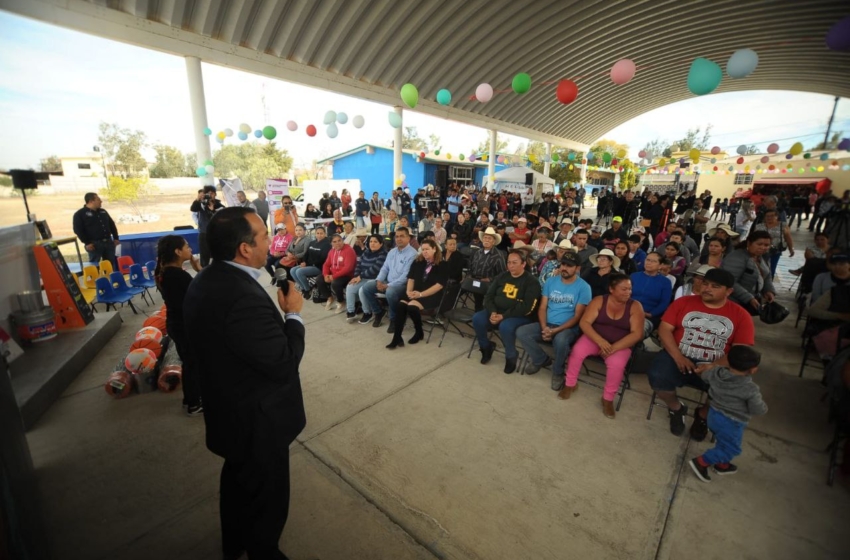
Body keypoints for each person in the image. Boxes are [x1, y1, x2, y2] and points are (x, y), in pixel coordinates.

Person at [183, 207, 305, 560]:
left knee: (237, 487)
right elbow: (283, 362)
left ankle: (234, 545)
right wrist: (293, 314)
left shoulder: (208, 280)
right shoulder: (240, 298)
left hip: (230, 413)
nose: (271, 240)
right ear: (244, 249)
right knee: (267, 501)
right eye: (264, 236)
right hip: (257, 423)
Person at [647, 268, 755, 440]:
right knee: (657, 375)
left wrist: (713, 365)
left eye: (715, 286)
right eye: (705, 283)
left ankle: (703, 415)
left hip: (718, 363)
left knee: (729, 387)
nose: (707, 288)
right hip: (679, 355)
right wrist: (678, 356)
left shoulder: (741, 315)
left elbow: (739, 352)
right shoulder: (683, 303)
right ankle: (676, 408)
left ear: (729, 291)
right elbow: (664, 330)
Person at [557, 273, 645, 419]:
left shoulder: (635, 306)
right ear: (612, 289)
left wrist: (614, 348)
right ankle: (570, 384)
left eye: (630, 289)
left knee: (616, 364)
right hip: (595, 338)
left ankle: (608, 398)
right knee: (577, 352)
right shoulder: (599, 301)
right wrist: (601, 341)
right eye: (624, 289)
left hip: (620, 344)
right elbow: (585, 323)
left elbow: (637, 334)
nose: (628, 292)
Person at [687, 346, 767, 483]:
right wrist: (764, 408)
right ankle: (702, 461)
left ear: (728, 362)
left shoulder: (716, 372)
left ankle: (722, 465)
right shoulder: (750, 389)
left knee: (724, 442)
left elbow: (705, 377)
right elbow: (758, 409)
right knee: (731, 448)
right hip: (731, 422)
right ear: (753, 369)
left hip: (712, 415)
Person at [516, 253, 591, 389]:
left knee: (560, 340)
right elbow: (543, 307)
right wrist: (544, 327)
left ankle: (558, 371)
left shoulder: (584, 287)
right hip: (547, 324)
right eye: (563, 264)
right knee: (522, 332)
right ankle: (541, 359)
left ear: (577, 268)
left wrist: (555, 330)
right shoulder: (551, 281)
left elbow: (577, 317)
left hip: (568, 327)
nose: (565, 268)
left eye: (569, 266)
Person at [154, 235, 202, 415]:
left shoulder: (163, 271)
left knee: (189, 362)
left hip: (176, 323)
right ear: (177, 251)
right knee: (192, 364)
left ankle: (190, 399)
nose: (190, 249)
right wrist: (199, 270)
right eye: (187, 246)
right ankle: (193, 404)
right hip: (185, 325)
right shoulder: (178, 276)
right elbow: (199, 294)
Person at [473, 251, 541, 373]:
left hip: (519, 315)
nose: (511, 265)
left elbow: (527, 307)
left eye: (514, 263)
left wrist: (503, 316)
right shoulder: (502, 276)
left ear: (523, 264)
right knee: (478, 318)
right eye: (509, 262)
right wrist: (493, 311)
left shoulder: (531, 281)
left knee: (505, 326)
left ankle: (511, 355)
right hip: (497, 311)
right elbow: (489, 296)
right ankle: (486, 347)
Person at [386, 239, 448, 348]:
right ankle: (397, 337)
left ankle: (419, 331)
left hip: (431, 294)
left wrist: (420, 295)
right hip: (415, 291)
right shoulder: (418, 261)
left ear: (434, 249)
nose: (424, 252)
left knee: (411, 307)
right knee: (401, 305)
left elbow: (438, 286)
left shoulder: (442, 265)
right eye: (422, 249)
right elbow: (411, 278)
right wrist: (409, 292)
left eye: (427, 249)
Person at [359, 227, 418, 330]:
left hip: (403, 285)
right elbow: (385, 268)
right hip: (387, 282)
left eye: (402, 236)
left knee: (390, 292)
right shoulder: (392, 252)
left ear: (408, 238)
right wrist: (378, 281)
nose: (399, 239)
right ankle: (378, 312)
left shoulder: (412, 254)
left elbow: (405, 277)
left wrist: (387, 285)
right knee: (367, 287)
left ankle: (394, 318)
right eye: (397, 236)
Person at [721, 230, 776, 313]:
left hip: (748, 301)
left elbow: (767, 275)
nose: (763, 247)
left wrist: (768, 290)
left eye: (766, 245)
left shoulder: (762, 257)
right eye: (759, 244)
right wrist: (748, 298)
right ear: (749, 243)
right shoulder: (737, 257)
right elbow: (730, 281)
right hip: (732, 301)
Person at [344, 235, 388, 322]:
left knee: (362, 290)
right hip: (363, 278)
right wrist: (356, 276)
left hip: (376, 279)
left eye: (375, 242)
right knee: (350, 286)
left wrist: (360, 276)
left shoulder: (383, 254)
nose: (372, 244)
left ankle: (368, 312)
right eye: (371, 241)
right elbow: (358, 264)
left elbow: (375, 269)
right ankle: (351, 311)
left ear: (381, 244)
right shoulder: (366, 252)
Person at [630, 251, 673, 336]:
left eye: (653, 261)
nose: (649, 263)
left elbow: (664, 303)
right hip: (628, 311)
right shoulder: (634, 276)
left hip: (648, 316)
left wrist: (651, 314)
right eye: (648, 260)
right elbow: (624, 294)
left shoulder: (665, 282)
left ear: (660, 265)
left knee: (636, 332)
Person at [73, 192, 121, 267]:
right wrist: (87, 242)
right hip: (94, 244)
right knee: (95, 265)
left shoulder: (103, 211)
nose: (101, 201)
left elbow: (112, 225)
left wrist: (115, 238)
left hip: (108, 242)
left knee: (110, 264)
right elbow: (78, 230)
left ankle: (109, 278)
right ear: (91, 201)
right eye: (98, 199)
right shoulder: (80, 214)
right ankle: (96, 278)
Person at [467, 227, 508, 311]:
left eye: (489, 238)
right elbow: (471, 266)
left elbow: (503, 274)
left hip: (489, 284)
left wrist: (489, 279)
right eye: (485, 237)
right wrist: (470, 275)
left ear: (493, 241)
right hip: (475, 280)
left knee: (485, 304)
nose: (487, 240)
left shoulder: (498, 256)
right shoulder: (478, 252)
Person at [316, 234, 357, 313]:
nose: (338, 243)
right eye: (334, 242)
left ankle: (341, 302)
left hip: (347, 275)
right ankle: (330, 298)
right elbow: (326, 264)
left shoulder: (349, 250)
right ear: (331, 243)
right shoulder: (332, 251)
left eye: (339, 240)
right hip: (334, 274)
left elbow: (348, 268)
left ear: (342, 241)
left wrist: (333, 276)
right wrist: (326, 275)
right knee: (319, 279)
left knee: (336, 283)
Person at [290, 226, 330, 298]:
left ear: (325, 234)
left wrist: (307, 264)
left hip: (319, 267)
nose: (319, 235)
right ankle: (303, 288)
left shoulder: (327, 244)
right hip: (309, 264)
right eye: (317, 233)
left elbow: (322, 258)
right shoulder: (312, 243)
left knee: (299, 272)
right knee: (292, 270)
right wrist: (304, 262)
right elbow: (306, 254)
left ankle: (308, 290)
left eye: (321, 233)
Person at [753, 209, 794, 278]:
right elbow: (753, 238)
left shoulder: (783, 225)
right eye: (767, 216)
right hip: (760, 251)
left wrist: (791, 249)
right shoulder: (759, 226)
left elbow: (788, 237)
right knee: (759, 268)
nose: (769, 218)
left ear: (777, 216)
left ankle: (768, 284)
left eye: (772, 216)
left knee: (771, 269)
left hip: (775, 251)